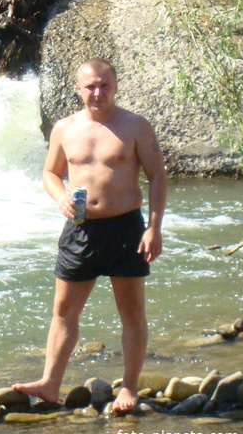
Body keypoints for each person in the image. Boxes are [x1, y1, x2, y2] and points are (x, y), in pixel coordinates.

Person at [13, 58, 167, 414]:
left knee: (131, 312)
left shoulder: (135, 126)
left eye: (104, 85)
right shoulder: (65, 129)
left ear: (115, 86)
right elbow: (50, 173)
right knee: (64, 311)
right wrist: (61, 197)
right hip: (81, 229)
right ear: (78, 89)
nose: (98, 92)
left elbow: (157, 176)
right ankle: (50, 383)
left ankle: (129, 387)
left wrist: (154, 227)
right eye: (90, 86)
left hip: (127, 227)